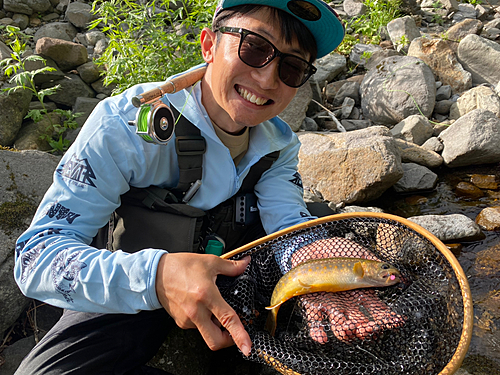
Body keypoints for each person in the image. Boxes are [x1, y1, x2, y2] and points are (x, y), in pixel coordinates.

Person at [13, 0, 344, 373]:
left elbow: (288, 226)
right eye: (254, 48)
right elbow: (35, 257)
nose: (268, 79)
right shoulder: (123, 127)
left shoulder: (279, 146)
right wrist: (157, 277)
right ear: (208, 45)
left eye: (291, 67)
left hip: (240, 275)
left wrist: (318, 262)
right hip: (134, 276)